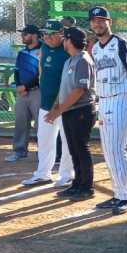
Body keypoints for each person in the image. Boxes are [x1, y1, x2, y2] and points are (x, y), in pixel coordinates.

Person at [88, 6, 127, 214]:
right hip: (105, 101)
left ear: (110, 22)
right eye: (94, 21)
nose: (98, 24)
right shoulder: (95, 48)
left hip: (121, 98)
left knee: (116, 149)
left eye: (102, 20)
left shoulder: (120, 43)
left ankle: (126, 196)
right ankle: (118, 193)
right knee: (108, 150)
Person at [44, 26, 97, 201]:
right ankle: (77, 184)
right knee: (74, 149)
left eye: (65, 39)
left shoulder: (83, 60)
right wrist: (55, 109)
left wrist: (59, 110)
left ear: (70, 41)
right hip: (70, 110)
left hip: (81, 110)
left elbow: (79, 90)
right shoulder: (70, 60)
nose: (63, 41)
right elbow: (64, 89)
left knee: (81, 148)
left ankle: (86, 187)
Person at [21, 24, 73, 188]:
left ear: (61, 34)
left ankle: (67, 175)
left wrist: (58, 105)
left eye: (52, 34)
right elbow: (42, 70)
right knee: (44, 140)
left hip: (65, 105)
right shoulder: (44, 47)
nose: (47, 37)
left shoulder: (68, 50)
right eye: (45, 34)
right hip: (46, 103)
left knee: (67, 141)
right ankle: (43, 174)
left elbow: (68, 81)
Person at [6, 24, 42, 162]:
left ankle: (43, 153)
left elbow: (41, 74)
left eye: (25, 34)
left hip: (38, 91)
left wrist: (26, 86)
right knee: (21, 122)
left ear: (34, 35)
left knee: (40, 124)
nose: (22, 36)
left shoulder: (44, 50)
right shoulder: (22, 52)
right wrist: (19, 85)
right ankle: (19, 151)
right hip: (22, 93)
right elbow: (17, 71)